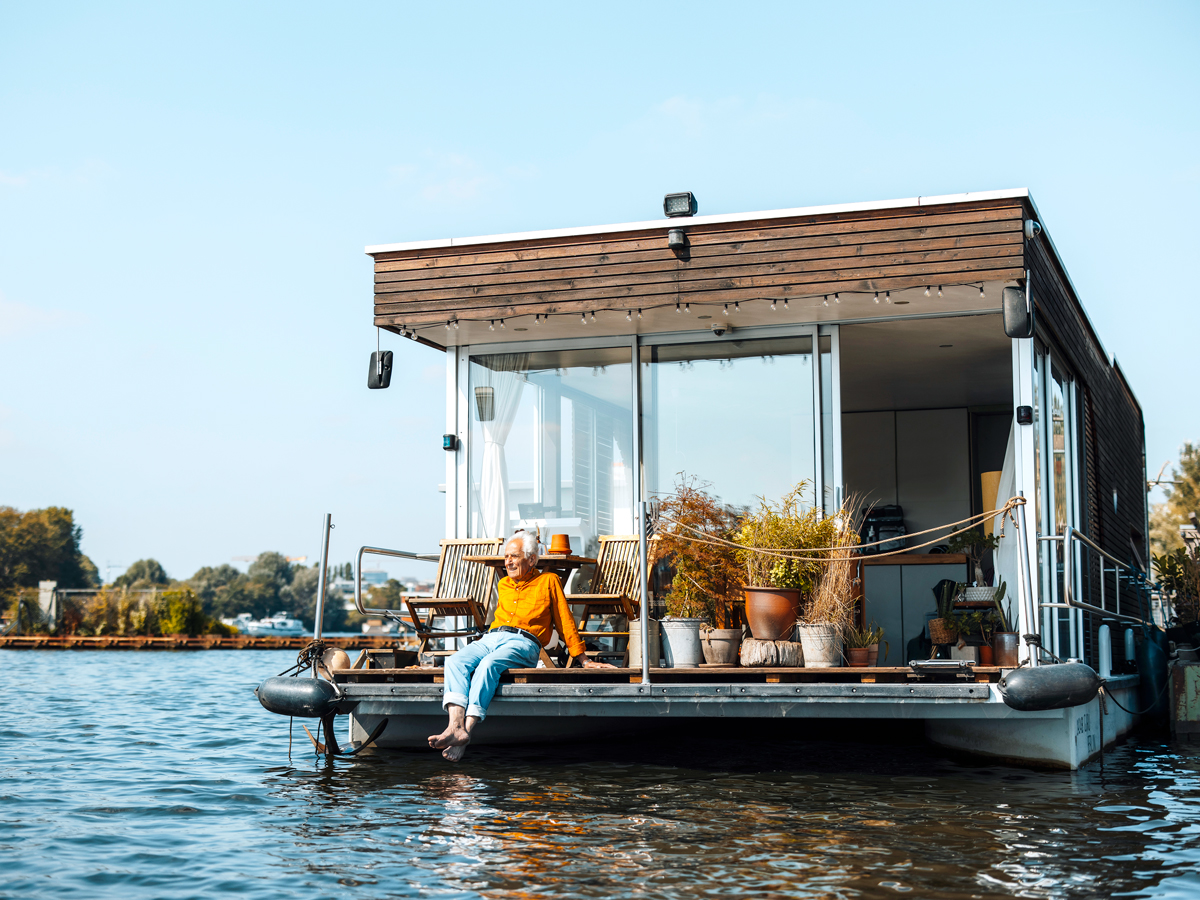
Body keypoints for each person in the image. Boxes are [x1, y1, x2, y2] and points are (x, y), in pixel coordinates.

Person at [428, 531, 612, 760]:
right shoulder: (504, 583)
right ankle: (455, 727)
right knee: (455, 661)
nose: (508, 562)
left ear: (532, 559)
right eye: (506, 557)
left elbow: (565, 621)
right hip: (491, 637)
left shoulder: (549, 581)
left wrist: (583, 659)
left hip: (523, 642)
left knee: (489, 665)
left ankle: (467, 731)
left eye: (514, 556)